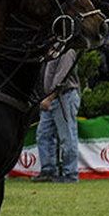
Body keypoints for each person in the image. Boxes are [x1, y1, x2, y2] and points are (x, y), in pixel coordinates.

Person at [32, 49, 81, 183]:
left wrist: (49, 98)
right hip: (51, 98)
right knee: (43, 135)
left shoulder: (67, 52)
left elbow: (62, 78)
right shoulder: (53, 51)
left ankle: (70, 174)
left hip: (63, 97)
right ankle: (48, 170)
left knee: (67, 136)